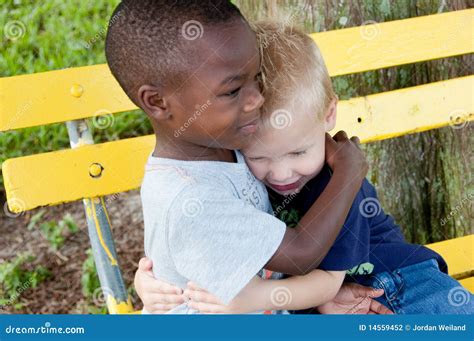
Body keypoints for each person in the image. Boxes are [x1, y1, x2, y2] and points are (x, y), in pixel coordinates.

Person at [134, 20, 474, 315]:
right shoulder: (232, 169)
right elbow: (193, 232)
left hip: (386, 279)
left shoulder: (339, 181)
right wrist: (151, 281)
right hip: (310, 304)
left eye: (297, 152)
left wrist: (254, 297)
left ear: (328, 115)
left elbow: (329, 280)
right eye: (261, 157)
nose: (281, 174)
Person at [105, 0, 373, 314]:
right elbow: (302, 252)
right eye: (233, 91)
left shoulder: (227, 143)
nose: (257, 98)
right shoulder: (191, 196)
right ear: (157, 102)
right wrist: (349, 172)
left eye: (256, 78)